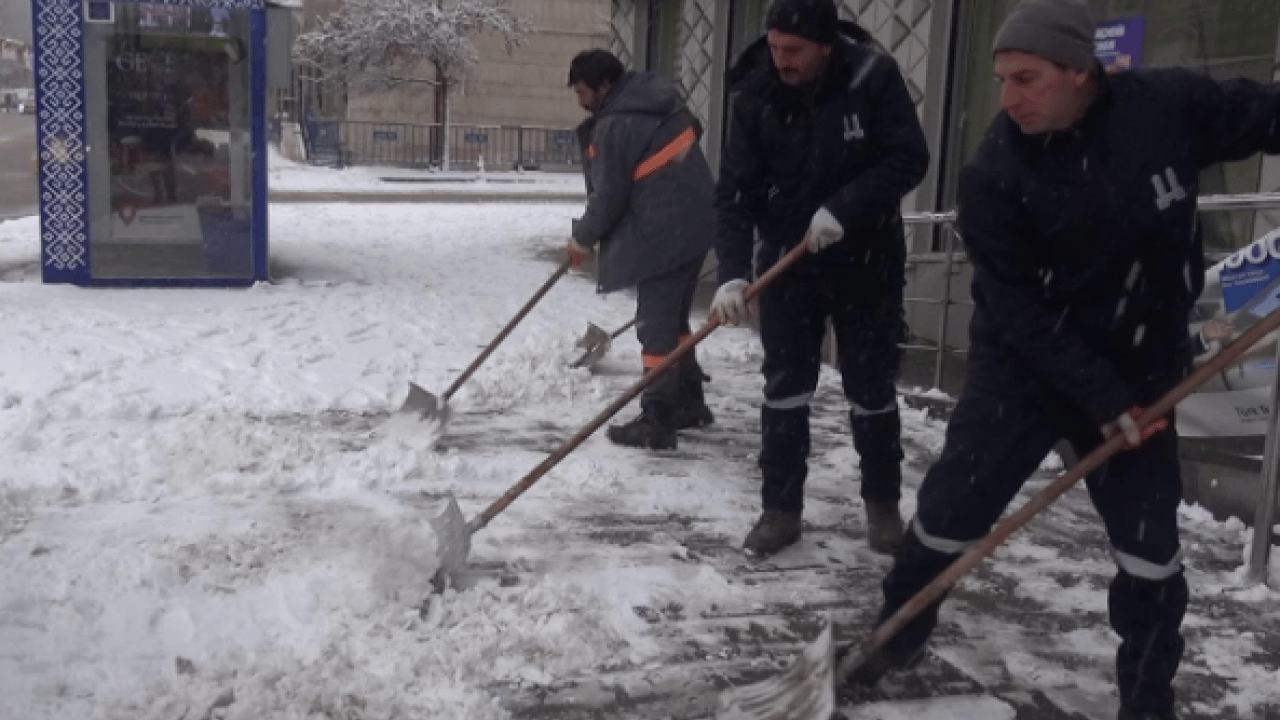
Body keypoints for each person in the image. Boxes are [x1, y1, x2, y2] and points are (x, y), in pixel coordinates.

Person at [854, 2, 1280, 719]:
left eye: (1026, 78)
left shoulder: (1167, 108)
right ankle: (897, 632)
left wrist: (1124, 392)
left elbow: (1266, 112)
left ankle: (1147, 701)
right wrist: (1100, 394)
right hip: (1023, 370)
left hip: (1144, 368)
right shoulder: (994, 170)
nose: (1008, 98)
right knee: (952, 511)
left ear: (1082, 72)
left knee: (1151, 552)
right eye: (1000, 80)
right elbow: (1016, 310)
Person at [709, 0, 929, 556]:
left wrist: (844, 209)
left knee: (871, 386)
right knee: (784, 388)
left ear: (826, 46)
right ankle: (780, 509)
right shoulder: (753, 93)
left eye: (794, 50)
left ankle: (882, 506)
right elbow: (734, 193)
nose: (781, 60)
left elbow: (909, 157)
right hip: (788, 261)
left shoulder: (871, 78)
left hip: (867, 262)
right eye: (775, 47)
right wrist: (732, 275)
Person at [566, 49, 716, 451]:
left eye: (583, 92)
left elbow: (609, 195)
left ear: (604, 85)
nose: (581, 101)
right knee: (674, 320)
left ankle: (658, 417)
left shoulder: (617, 124)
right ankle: (689, 400)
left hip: (665, 231)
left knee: (654, 325)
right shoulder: (655, 104)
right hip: (694, 223)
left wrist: (582, 238)